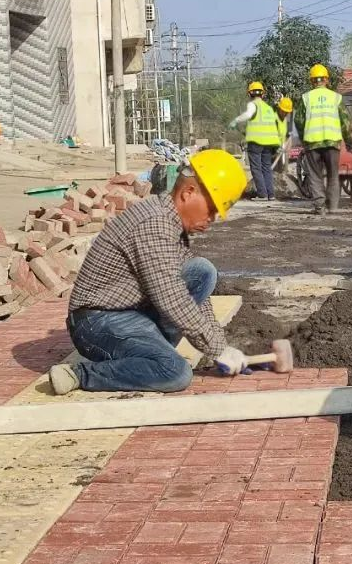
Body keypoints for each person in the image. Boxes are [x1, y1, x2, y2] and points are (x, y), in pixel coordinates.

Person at [48, 149, 251, 396]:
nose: (211, 219)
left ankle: (151, 353)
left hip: (131, 311)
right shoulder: (154, 223)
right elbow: (173, 298)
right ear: (188, 193)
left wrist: (219, 344)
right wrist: (217, 350)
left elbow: (191, 296)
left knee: (201, 272)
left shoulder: (171, 223)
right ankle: (80, 374)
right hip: (97, 322)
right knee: (175, 373)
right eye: (211, 209)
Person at [293, 63, 352, 214]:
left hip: (312, 143)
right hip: (332, 143)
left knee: (315, 176)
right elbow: (345, 122)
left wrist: (303, 138)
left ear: (312, 81)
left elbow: (298, 120)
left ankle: (320, 207)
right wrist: (349, 142)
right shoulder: (335, 98)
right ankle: (332, 207)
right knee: (333, 175)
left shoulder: (306, 98)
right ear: (326, 80)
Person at [228, 81, 283, 200]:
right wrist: (278, 144)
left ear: (249, 94)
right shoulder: (268, 108)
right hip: (269, 143)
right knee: (266, 168)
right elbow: (274, 126)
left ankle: (262, 194)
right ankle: (271, 194)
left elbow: (248, 115)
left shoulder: (253, 105)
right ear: (262, 94)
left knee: (256, 168)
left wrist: (236, 120)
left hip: (256, 142)